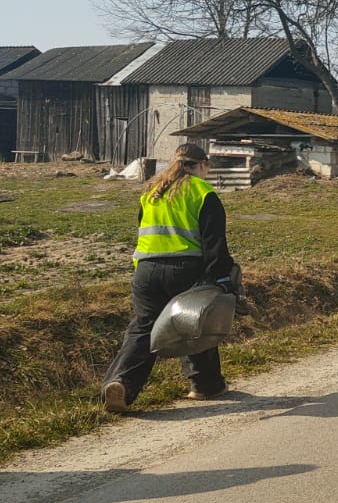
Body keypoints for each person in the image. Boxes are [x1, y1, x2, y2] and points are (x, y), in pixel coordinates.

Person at [101, 143, 238, 413]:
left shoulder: (152, 191)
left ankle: (120, 384)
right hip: (185, 268)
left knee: (143, 328)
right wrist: (222, 277)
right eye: (207, 167)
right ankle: (205, 385)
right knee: (195, 324)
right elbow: (214, 243)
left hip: (146, 270)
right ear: (202, 165)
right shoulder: (203, 192)